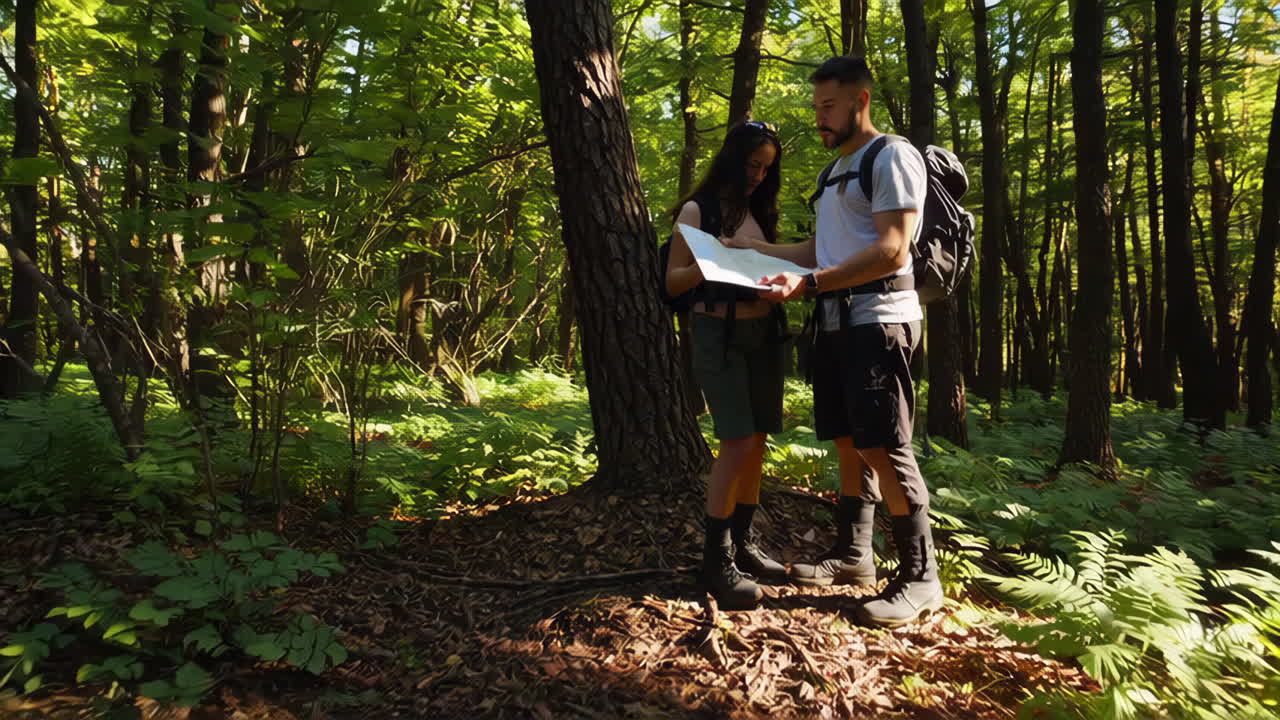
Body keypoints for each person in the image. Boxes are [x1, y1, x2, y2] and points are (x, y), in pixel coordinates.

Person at [725, 56, 943, 627]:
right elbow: (817, 250)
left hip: (880, 320)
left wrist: (811, 283)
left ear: (860, 101)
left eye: (828, 106)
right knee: (849, 441)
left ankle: (922, 578)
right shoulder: (832, 173)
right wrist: (744, 251)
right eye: (816, 106)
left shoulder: (891, 155)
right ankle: (855, 557)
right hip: (834, 323)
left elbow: (894, 248)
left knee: (883, 444)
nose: (819, 118)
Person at [666, 120, 790, 611]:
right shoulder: (699, 209)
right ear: (732, 158)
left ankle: (743, 543)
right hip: (719, 334)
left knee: (757, 440)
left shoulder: (761, 210)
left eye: (767, 168)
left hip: (765, 333)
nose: (759, 175)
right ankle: (715, 560)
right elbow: (674, 282)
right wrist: (710, 262)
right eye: (753, 164)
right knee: (736, 440)